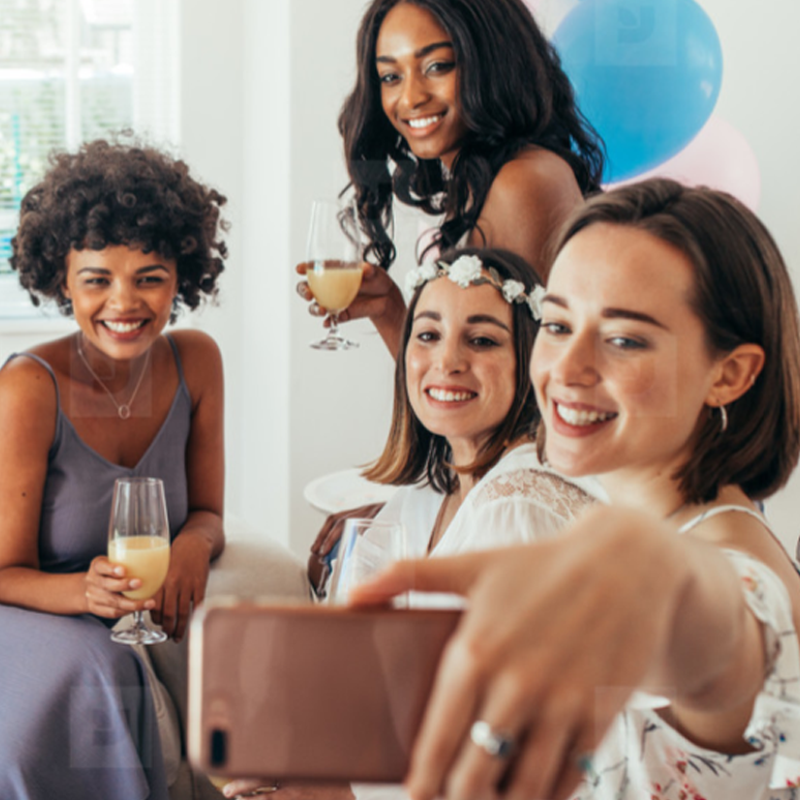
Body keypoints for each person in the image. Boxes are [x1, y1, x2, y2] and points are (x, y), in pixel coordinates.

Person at [350, 179, 800, 800]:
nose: (566, 368)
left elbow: (732, 627)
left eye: (624, 339)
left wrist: (665, 581)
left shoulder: (732, 567)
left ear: (730, 373)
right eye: (558, 325)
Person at [224, 247, 600, 800]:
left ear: (533, 361)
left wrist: (340, 793)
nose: (447, 361)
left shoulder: (519, 508)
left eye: (482, 340)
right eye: (426, 335)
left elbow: (512, 750)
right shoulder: (435, 488)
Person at [0, 139, 227, 800]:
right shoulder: (29, 388)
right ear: (61, 280)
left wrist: (193, 544)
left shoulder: (196, 362)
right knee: (101, 667)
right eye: (97, 279)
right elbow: (3, 572)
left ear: (182, 277)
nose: (124, 303)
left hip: (128, 606)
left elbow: (209, 511)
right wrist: (84, 595)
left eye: (149, 277)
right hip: (36, 608)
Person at [297, 0, 605, 358]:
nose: (411, 98)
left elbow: (515, 381)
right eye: (391, 76)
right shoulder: (479, 183)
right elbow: (458, 376)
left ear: (493, 62)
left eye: (437, 66)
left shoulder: (521, 183)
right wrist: (389, 311)